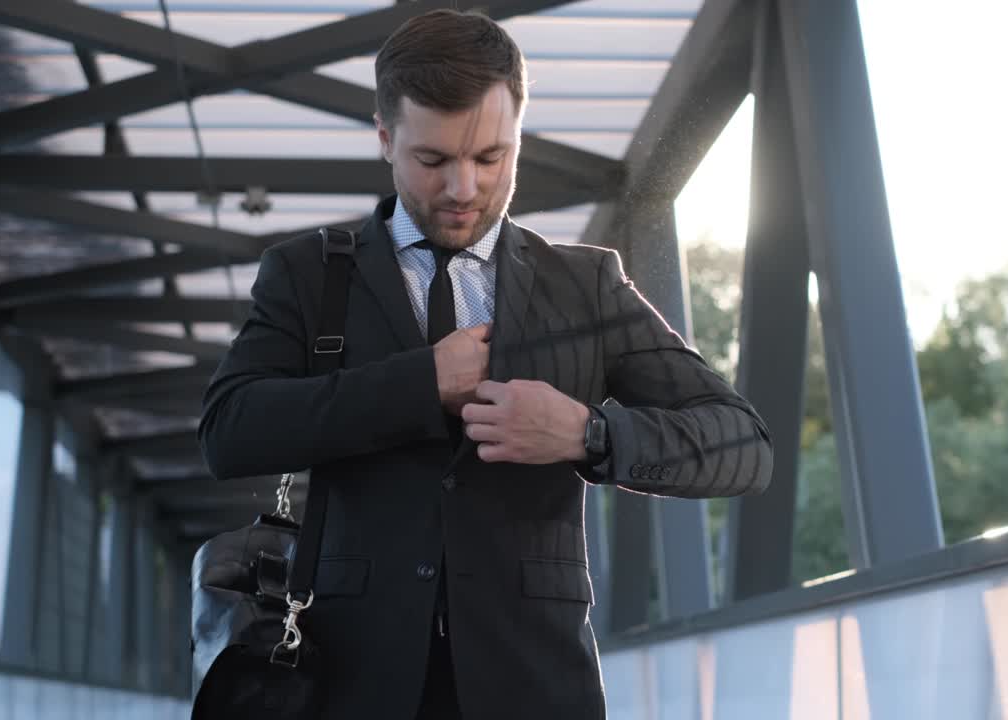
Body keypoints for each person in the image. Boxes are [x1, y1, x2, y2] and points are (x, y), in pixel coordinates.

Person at [198, 8, 772, 719]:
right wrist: (419, 383)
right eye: (433, 160)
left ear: (519, 138)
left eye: (490, 158)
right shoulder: (308, 275)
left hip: (534, 687)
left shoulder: (587, 286)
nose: (463, 188)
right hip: (351, 686)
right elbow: (227, 430)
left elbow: (744, 445)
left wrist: (590, 436)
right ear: (385, 138)